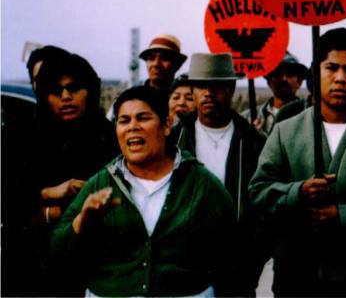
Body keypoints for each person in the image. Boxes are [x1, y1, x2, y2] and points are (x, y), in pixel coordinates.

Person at [249, 28, 346, 297]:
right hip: (295, 280)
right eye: (331, 68)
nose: (340, 78)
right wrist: (297, 192)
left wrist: (344, 215)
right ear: (315, 74)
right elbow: (258, 192)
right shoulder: (286, 131)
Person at [51, 86, 239, 297]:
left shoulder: (201, 183)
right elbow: (58, 249)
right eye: (124, 121)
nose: (132, 127)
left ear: (167, 125)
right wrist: (81, 222)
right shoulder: (101, 183)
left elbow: (232, 258)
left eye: (142, 118)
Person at [2, 53, 119, 296]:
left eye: (74, 88)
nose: (66, 97)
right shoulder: (19, 136)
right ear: (44, 95)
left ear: (90, 90)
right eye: (57, 90)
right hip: (29, 266)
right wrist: (47, 194)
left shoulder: (110, 138)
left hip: (94, 265)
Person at [169, 52, 268, 296]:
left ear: (232, 88)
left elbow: (266, 208)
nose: (208, 93)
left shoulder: (255, 142)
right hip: (182, 271)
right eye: (201, 86)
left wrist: (250, 264)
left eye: (217, 85)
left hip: (237, 273)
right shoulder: (173, 141)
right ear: (192, 90)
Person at [242, 51, 308, 136]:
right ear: (269, 82)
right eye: (278, 73)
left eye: (290, 73)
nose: (284, 79)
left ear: (299, 81)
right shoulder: (247, 118)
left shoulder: (310, 116)